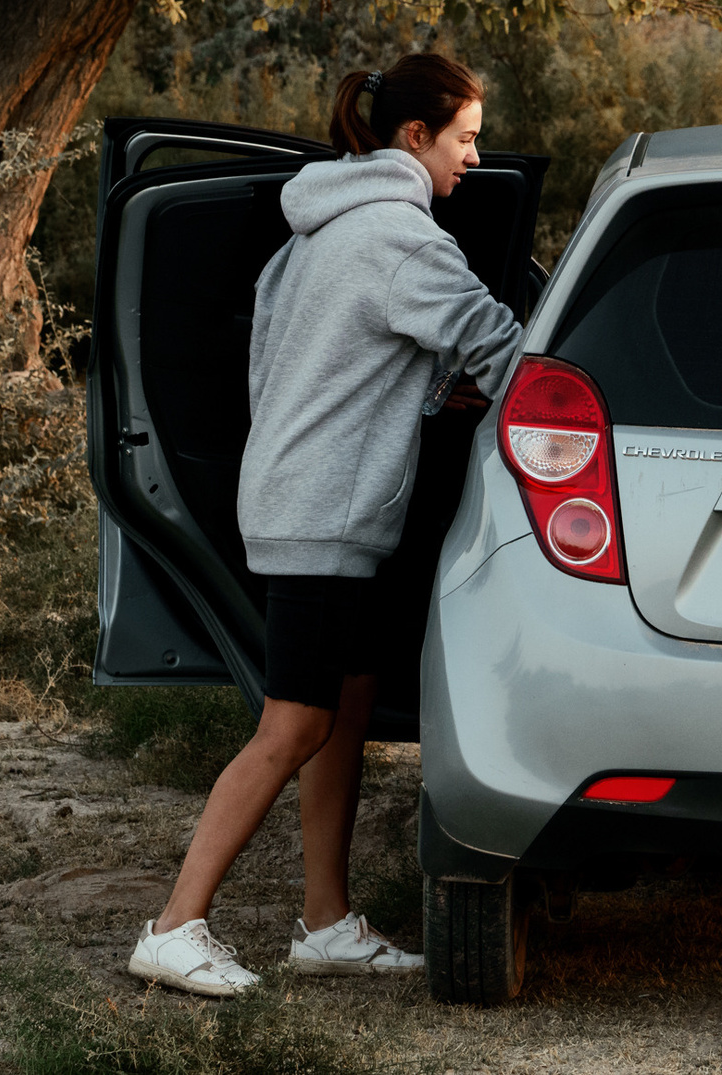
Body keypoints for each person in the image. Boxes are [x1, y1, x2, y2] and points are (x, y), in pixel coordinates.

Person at [128, 52, 528, 997]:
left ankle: (324, 921)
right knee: (295, 720)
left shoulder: (311, 233)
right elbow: (500, 346)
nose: (475, 157)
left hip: (296, 492)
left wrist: (428, 389)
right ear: (415, 137)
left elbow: (309, 363)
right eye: (466, 139)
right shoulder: (405, 238)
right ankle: (176, 923)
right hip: (325, 514)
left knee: (345, 706)